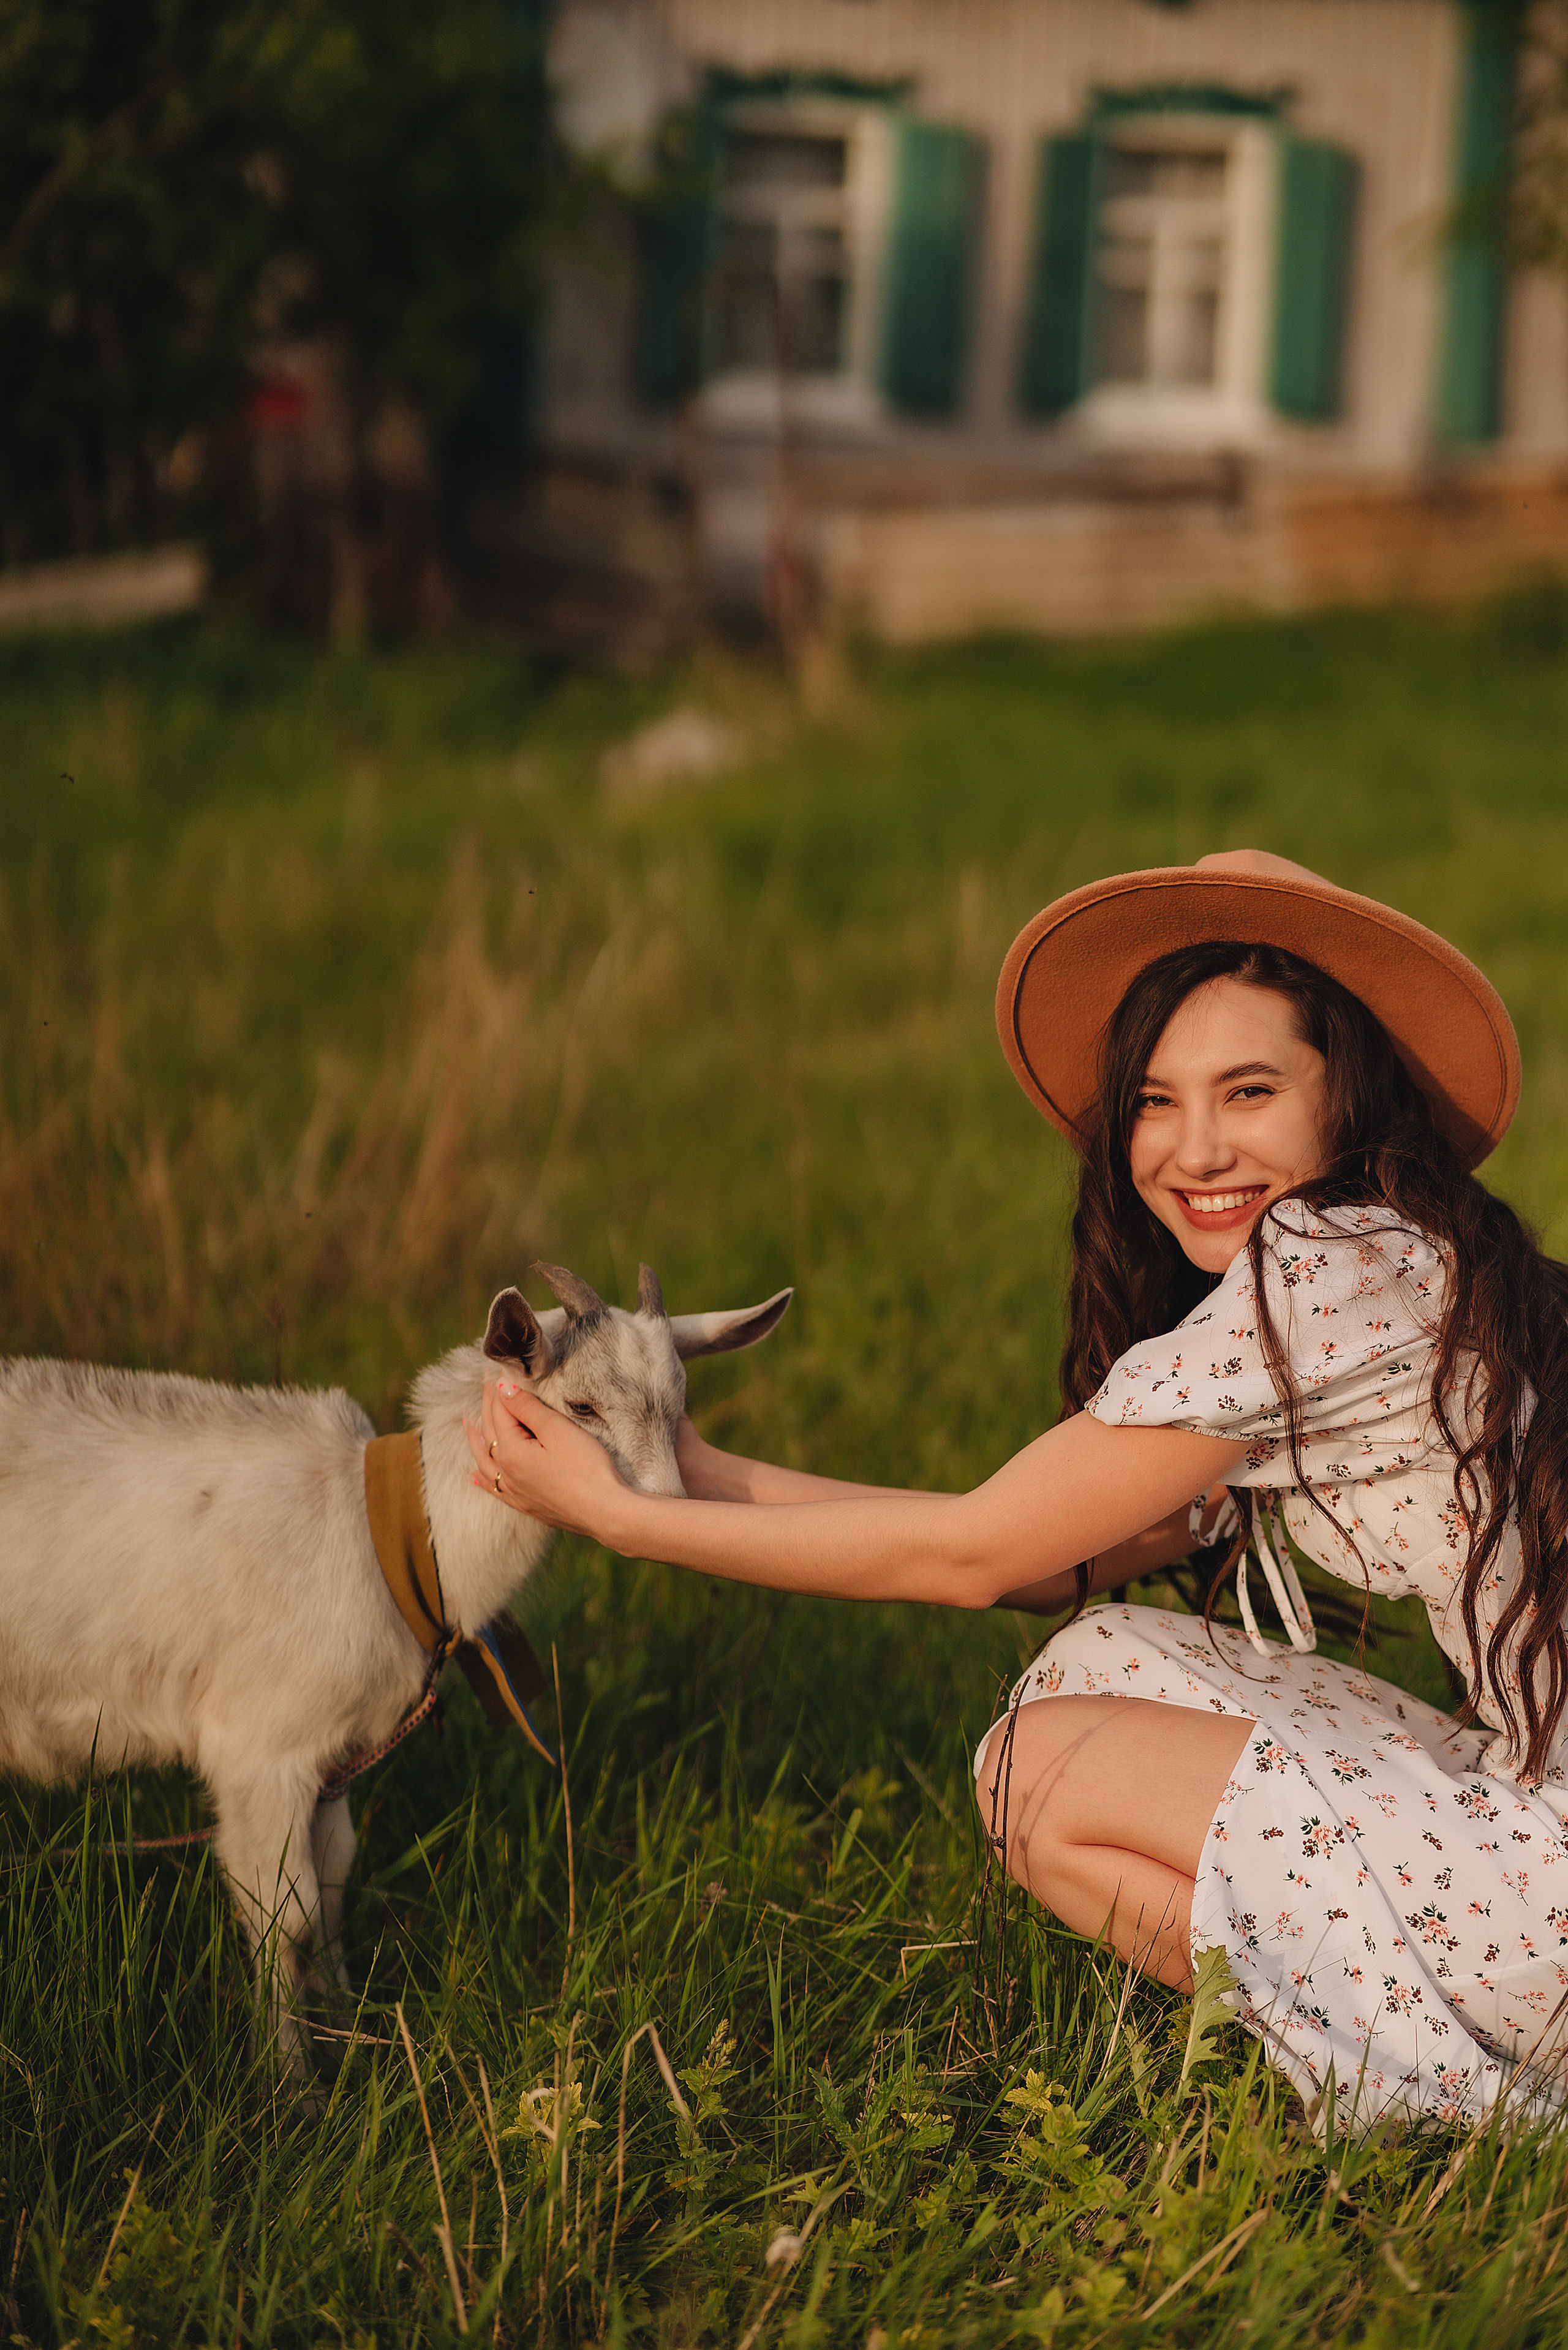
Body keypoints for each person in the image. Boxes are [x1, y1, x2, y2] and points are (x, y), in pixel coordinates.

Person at [468, 850, 1568, 2135]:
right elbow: (1053, 1563)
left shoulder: (1319, 1274)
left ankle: (1457, 2098)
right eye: (1154, 1100)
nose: (1193, 1146)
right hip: (1534, 1798)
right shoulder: (1392, 1257)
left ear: (1350, 1102)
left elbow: (970, 1556)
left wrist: (622, 1520)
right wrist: (693, 1474)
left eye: (1249, 1090)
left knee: (1034, 1770)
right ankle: (1423, 2044)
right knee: (1097, 1658)